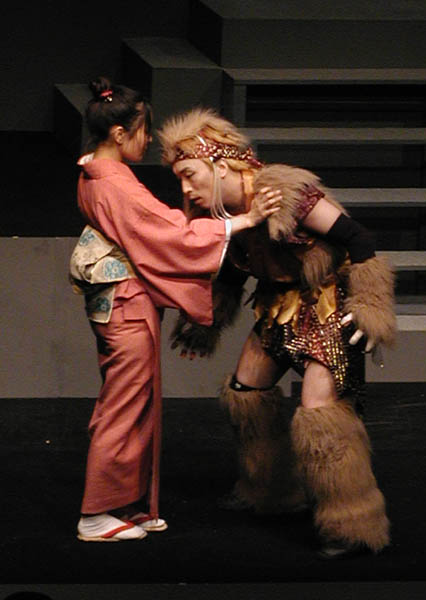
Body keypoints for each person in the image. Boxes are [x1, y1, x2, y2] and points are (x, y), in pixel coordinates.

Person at [158, 107, 397, 558]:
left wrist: (370, 306)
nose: (185, 189)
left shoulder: (286, 192)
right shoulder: (226, 210)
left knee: (320, 415)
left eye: (189, 175)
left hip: (325, 305)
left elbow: (359, 239)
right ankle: (270, 489)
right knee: (246, 393)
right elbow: (234, 271)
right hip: (278, 306)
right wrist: (204, 322)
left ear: (220, 165)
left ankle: (351, 521)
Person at [69, 78, 280, 542]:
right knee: (125, 404)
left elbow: (157, 227)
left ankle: (128, 503)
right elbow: (169, 234)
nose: (147, 140)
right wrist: (243, 221)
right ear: (119, 134)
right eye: (142, 131)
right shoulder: (112, 182)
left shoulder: (96, 174)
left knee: (138, 400)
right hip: (124, 303)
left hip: (122, 300)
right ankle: (96, 513)